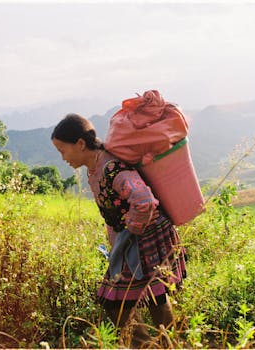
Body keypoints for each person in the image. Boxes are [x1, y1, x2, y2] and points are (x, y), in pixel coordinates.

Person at [51, 113, 187, 348]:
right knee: (152, 295)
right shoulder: (95, 168)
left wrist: (128, 232)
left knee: (120, 303)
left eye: (63, 150)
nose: (63, 158)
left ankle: (153, 345)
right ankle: (165, 344)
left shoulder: (112, 169)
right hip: (138, 240)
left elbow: (144, 200)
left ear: (81, 144)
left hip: (147, 238)